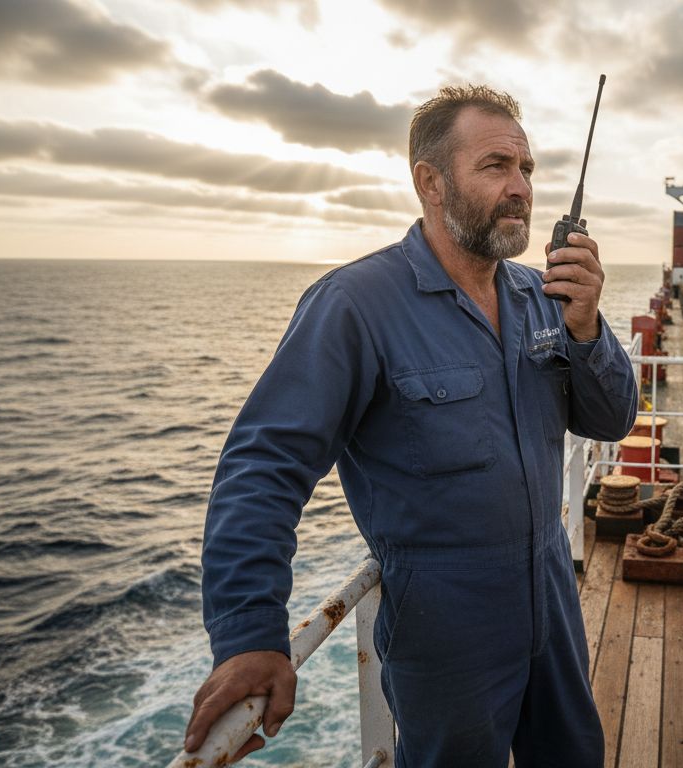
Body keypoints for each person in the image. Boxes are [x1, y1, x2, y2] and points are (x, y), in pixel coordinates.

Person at [183, 84, 637, 766]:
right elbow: (262, 467)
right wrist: (251, 635)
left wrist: (585, 327)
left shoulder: (541, 298)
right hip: (444, 634)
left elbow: (612, 419)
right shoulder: (355, 305)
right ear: (430, 182)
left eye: (527, 169)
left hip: (552, 605)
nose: (519, 188)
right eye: (495, 167)